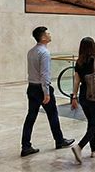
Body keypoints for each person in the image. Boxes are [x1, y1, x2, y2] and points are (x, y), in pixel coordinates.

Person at [20, 27, 74, 157]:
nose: (50, 35)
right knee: (52, 114)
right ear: (43, 37)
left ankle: (25, 146)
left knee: (31, 116)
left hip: (32, 87)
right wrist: (46, 92)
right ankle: (59, 140)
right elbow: (44, 74)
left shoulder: (31, 51)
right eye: (48, 33)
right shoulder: (44, 53)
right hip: (41, 88)